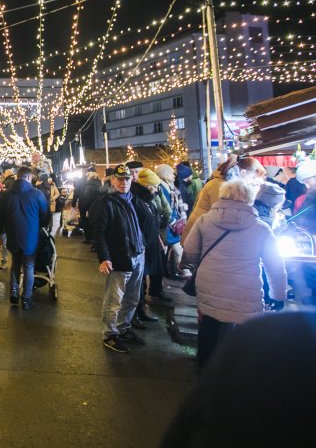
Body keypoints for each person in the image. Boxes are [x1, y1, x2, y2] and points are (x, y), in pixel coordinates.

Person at [160, 311, 316, 448]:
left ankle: (205, 367)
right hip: (239, 302)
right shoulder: (286, 335)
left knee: (213, 331)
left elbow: (184, 431)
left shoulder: (271, 333)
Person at [180, 180, 286, 369]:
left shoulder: (205, 221)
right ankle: (234, 375)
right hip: (245, 288)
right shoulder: (261, 228)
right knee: (242, 334)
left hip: (209, 283)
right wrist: (278, 295)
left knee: (209, 328)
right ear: (249, 198)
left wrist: (194, 265)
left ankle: (204, 373)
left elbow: (189, 251)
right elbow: (275, 265)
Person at [92, 165, 146, 354]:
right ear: (112, 180)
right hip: (120, 257)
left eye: (127, 179)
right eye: (120, 179)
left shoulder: (132, 198)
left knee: (132, 297)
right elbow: (98, 233)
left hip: (138, 253)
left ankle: (123, 328)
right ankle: (110, 334)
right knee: (114, 300)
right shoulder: (106, 202)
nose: (124, 183)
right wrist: (104, 257)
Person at [0, 166, 50, 311]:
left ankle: (14, 292)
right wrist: (38, 225)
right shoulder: (37, 194)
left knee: (15, 263)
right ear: (29, 178)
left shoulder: (5, 195)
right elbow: (46, 216)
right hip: (31, 237)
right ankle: (26, 299)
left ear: (17, 177)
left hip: (13, 236)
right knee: (29, 266)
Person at [182, 156, 265, 243]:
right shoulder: (221, 185)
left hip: (202, 232)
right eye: (253, 178)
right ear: (243, 172)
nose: (252, 181)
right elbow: (222, 215)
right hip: (197, 236)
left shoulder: (226, 183)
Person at [131, 168, 168, 325]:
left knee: (142, 283)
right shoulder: (137, 200)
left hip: (150, 244)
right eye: (153, 186)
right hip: (141, 248)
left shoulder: (146, 200)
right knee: (138, 284)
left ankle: (140, 310)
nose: (155, 189)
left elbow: (152, 220)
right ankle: (135, 315)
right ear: (146, 185)